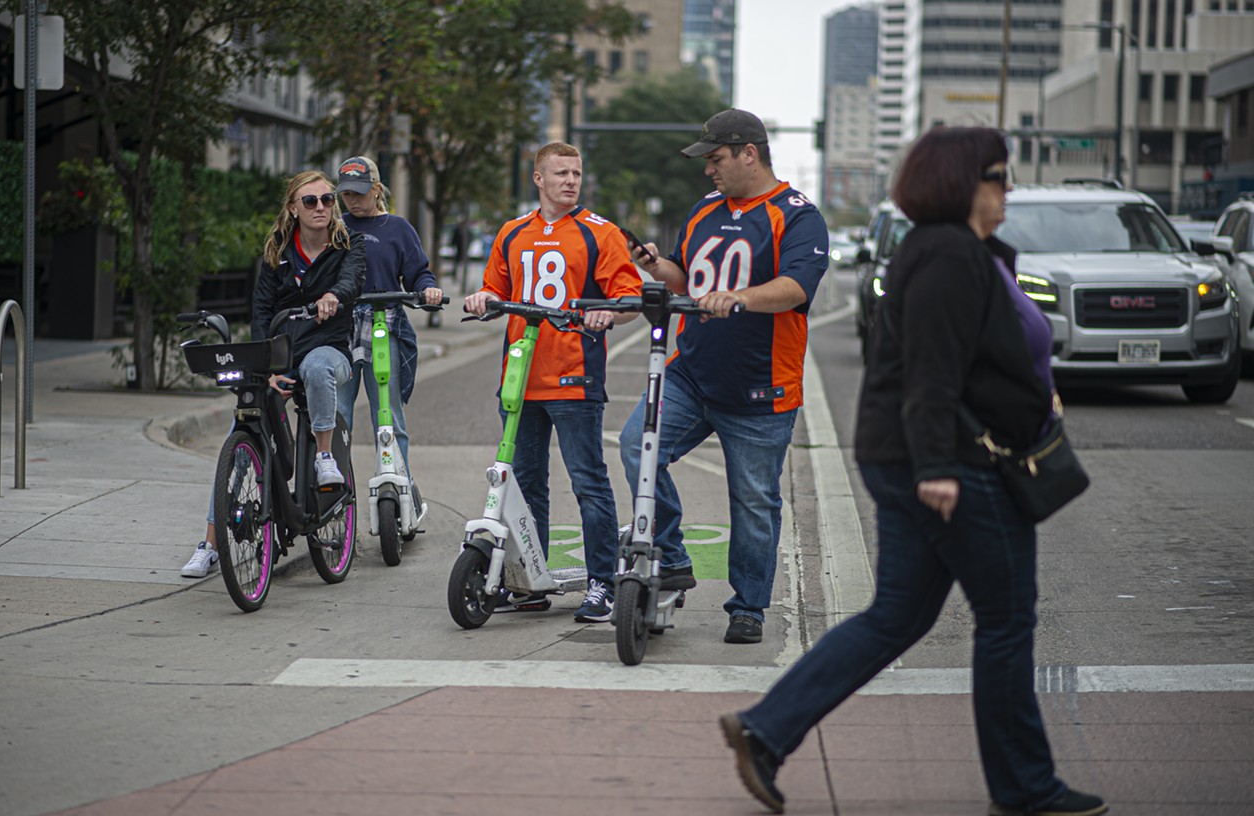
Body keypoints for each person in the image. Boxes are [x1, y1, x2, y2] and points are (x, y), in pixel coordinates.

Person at [719, 127, 1108, 816]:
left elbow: (974, 355)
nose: (1008, 187)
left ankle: (766, 729)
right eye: (998, 174)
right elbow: (930, 372)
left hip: (930, 459)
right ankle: (1024, 789)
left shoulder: (964, 252)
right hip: (956, 466)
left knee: (897, 616)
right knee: (1008, 618)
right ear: (964, 181)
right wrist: (938, 467)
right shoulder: (948, 254)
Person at [619, 109, 828, 644]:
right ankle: (673, 558)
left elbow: (797, 286)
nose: (708, 170)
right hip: (690, 373)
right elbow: (684, 274)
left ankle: (749, 607)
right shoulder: (706, 209)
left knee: (754, 502)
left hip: (761, 387)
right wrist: (653, 265)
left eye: (715, 159)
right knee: (635, 448)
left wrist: (739, 298)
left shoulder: (797, 215)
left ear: (748, 153)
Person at [463, 141, 641, 623]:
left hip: (575, 377)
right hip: (520, 379)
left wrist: (610, 311)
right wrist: (481, 298)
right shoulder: (512, 232)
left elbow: (629, 295)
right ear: (538, 178)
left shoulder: (600, 233)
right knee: (526, 486)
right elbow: (496, 288)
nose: (570, 180)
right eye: (560, 173)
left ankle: (603, 583)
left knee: (588, 483)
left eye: (577, 173)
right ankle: (531, 582)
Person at [182, 171, 362, 578]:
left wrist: (333, 296)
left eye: (328, 199)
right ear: (293, 209)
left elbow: (352, 280)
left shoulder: (349, 244)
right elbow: (261, 313)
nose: (321, 207)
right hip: (281, 356)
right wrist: (265, 369)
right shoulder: (276, 254)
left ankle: (326, 458)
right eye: (311, 201)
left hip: (329, 350)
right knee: (241, 431)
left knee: (318, 367)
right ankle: (210, 545)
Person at [333, 156, 442, 490]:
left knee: (388, 415)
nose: (352, 200)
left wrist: (428, 289)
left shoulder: (397, 229)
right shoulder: (336, 227)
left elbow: (418, 272)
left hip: (384, 324)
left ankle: (401, 488)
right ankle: (334, 492)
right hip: (341, 329)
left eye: (359, 193)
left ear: (376, 189)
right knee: (337, 417)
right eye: (347, 194)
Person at [452, 218, 472, 292]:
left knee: (462, 269)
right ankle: (458, 281)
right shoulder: (458, 230)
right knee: (458, 268)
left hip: (463, 253)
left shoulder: (466, 231)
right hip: (459, 252)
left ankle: (463, 284)